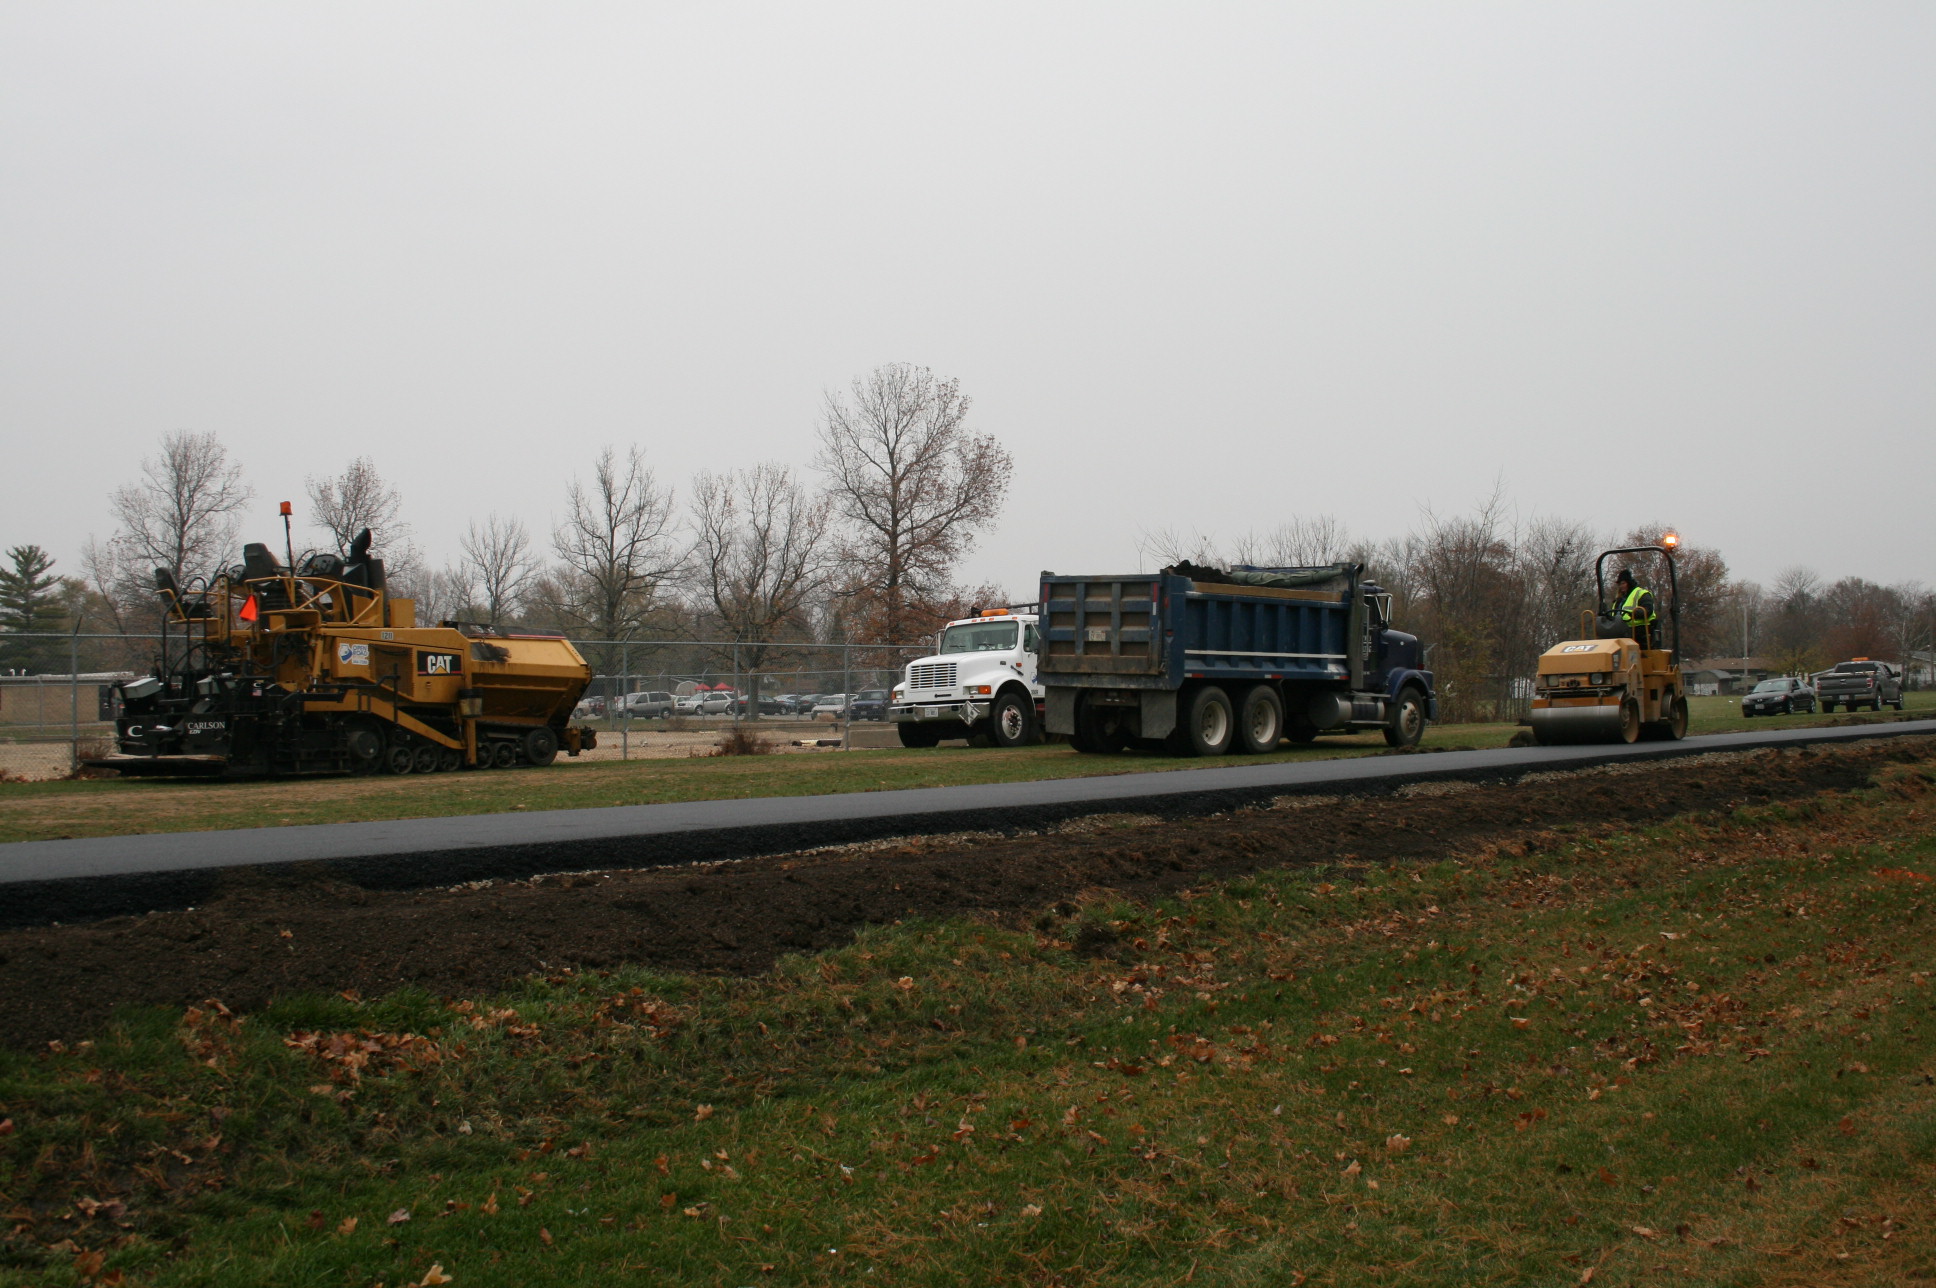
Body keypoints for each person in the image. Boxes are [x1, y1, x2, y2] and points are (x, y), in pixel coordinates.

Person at [1612, 568, 1657, 650]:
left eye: (1623, 583)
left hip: (1640, 631)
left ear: (1629, 583)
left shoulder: (1641, 593)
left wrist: (1635, 614)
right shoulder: (1619, 600)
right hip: (1621, 631)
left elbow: (1648, 610)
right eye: (1620, 584)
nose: (1621, 586)